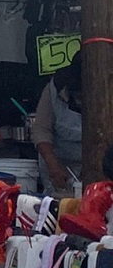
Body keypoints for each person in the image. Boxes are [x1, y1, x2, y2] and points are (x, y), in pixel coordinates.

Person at [32, 54, 82, 197]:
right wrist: (52, 163)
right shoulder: (54, 88)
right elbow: (41, 128)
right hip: (57, 161)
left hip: (94, 163)